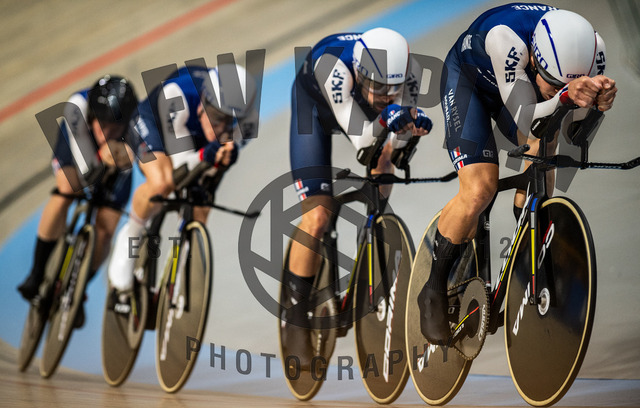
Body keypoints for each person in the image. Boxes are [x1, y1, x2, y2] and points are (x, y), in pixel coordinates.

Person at [417, 4, 617, 344]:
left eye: (565, 84)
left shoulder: (592, 52)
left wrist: (598, 104)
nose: (556, 88)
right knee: (480, 189)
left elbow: (573, 132)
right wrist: (565, 96)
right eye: (551, 82)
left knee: (545, 147)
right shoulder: (504, 38)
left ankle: (529, 243)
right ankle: (433, 288)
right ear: (535, 60)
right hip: (469, 83)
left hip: (519, 88)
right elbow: (527, 116)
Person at [284, 27, 433, 367]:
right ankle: (295, 316)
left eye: (392, 88)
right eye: (377, 86)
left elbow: (393, 148)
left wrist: (410, 132)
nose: (385, 94)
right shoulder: (332, 68)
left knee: (385, 161)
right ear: (359, 73)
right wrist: (388, 117)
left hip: (361, 112)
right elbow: (364, 143)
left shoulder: (407, 72)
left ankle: (371, 229)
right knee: (317, 216)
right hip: (315, 111)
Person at [106, 63, 258, 312]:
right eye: (217, 118)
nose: (221, 128)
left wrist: (221, 162)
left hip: (192, 139)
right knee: (162, 183)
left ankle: (179, 275)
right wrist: (207, 156)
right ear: (203, 103)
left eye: (230, 123)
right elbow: (180, 170)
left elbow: (214, 168)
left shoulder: (246, 124)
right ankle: (129, 238)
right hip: (155, 124)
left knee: (200, 205)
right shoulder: (177, 97)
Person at [17, 75, 139, 327]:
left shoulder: (136, 123)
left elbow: (135, 160)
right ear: (93, 116)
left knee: (106, 229)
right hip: (77, 142)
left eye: (115, 127)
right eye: (103, 126)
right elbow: (87, 173)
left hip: (113, 158)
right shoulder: (77, 108)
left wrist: (124, 158)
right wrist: (101, 161)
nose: (108, 133)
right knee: (66, 191)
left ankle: (78, 287)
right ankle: (36, 273)